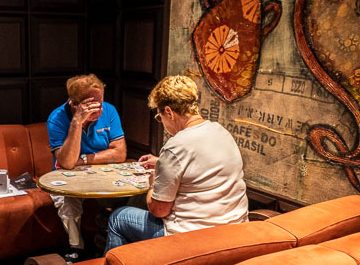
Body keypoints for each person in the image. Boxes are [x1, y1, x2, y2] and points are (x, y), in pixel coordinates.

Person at [103, 75, 249, 254]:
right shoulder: (221, 131)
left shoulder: (175, 146)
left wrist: (152, 183)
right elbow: (203, 164)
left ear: (169, 112)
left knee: (118, 217)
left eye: (160, 116)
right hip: (233, 230)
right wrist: (161, 163)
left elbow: (159, 210)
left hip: (190, 238)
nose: (162, 122)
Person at [47, 73, 126, 263]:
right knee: (66, 199)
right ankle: (76, 246)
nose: (99, 108)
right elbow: (66, 162)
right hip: (68, 175)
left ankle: (117, 250)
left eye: (100, 102)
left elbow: (119, 154)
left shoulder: (109, 111)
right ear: (75, 103)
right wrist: (76, 122)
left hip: (102, 173)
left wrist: (83, 159)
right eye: (92, 104)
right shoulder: (57, 118)